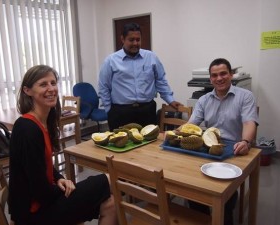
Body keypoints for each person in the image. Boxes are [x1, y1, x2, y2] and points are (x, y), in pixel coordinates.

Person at [9, 65, 118, 225]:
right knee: (107, 180)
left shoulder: (42, 123)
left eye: (53, 83)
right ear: (27, 91)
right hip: (33, 214)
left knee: (111, 204)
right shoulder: (27, 129)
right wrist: (65, 188)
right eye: (43, 84)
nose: (51, 88)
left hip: (42, 203)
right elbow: (41, 192)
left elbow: (42, 165)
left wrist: (59, 178)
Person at [184, 58, 259, 225]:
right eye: (214, 75)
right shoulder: (203, 100)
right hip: (209, 148)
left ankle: (225, 214)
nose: (219, 78)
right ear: (210, 79)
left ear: (231, 75)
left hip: (235, 149)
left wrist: (246, 141)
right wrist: (174, 133)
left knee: (225, 197)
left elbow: (249, 122)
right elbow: (191, 125)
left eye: (223, 73)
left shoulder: (245, 96)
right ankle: (201, 216)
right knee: (192, 186)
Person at [98, 22, 181, 131]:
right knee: (121, 145)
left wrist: (170, 100)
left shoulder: (151, 57)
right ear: (122, 39)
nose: (135, 43)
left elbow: (161, 81)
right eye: (131, 40)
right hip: (121, 113)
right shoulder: (111, 61)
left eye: (138, 39)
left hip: (146, 111)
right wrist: (109, 110)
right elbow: (103, 87)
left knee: (149, 144)